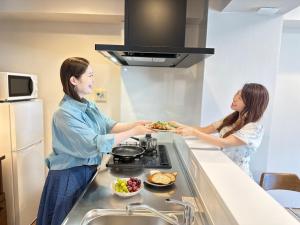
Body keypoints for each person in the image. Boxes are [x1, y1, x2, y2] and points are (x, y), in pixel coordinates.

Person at [36, 57, 153, 225]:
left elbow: (109, 125)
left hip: (86, 171)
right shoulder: (64, 114)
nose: (93, 80)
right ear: (74, 80)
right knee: (69, 220)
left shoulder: (88, 105)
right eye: (89, 75)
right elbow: (93, 143)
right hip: (68, 176)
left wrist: (136, 123)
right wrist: (134, 132)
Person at [173, 83, 269, 178]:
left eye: (240, 98)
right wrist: (176, 126)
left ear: (251, 104)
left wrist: (193, 133)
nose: (234, 98)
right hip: (222, 167)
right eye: (237, 94)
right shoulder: (232, 118)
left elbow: (224, 142)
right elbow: (204, 130)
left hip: (237, 174)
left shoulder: (254, 127)